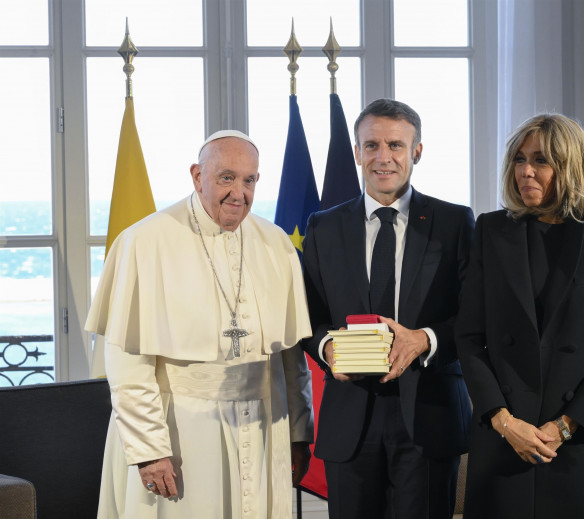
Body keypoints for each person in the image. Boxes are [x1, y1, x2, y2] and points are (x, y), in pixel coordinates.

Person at [85, 130, 314, 518]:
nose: (238, 192)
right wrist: (149, 449)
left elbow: (290, 357)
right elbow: (127, 364)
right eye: (226, 177)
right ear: (197, 175)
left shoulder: (275, 243)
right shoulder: (145, 241)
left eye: (249, 180)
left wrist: (298, 432)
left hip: (262, 427)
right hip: (180, 430)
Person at [301, 98, 474, 519]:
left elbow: (476, 318)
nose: (383, 158)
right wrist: (327, 349)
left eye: (395, 145)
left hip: (428, 413)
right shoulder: (323, 227)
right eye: (372, 145)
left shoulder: (455, 223)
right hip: (350, 416)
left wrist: (425, 340)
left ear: (416, 151)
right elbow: (305, 314)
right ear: (357, 152)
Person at [455, 114, 584, 518]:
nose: (526, 171)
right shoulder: (490, 231)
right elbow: (468, 338)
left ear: (571, 168)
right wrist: (504, 422)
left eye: (541, 160)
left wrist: (563, 427)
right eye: (519, 159)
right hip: (503, 438)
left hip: (578, 443)